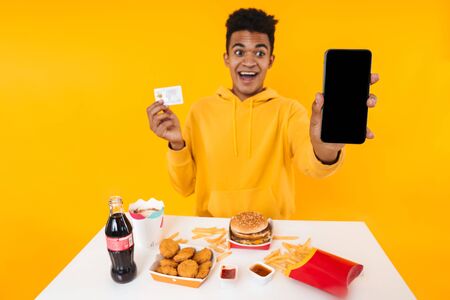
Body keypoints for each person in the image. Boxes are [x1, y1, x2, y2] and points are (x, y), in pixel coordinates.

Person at [146, 8, 379, 219]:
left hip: (274, 232)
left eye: (259, 54)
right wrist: (177, 144)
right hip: (213, 232)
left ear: (271, 60)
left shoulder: (289, 111)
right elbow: (184, 187)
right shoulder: (200, 111)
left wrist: (329, 145)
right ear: (226, 58)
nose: (249, 62)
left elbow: (313, 167)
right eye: (239, 52)